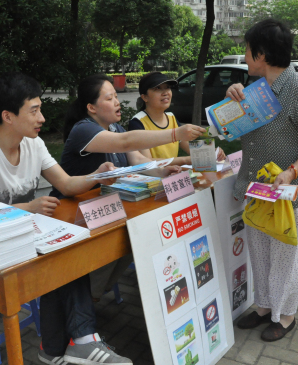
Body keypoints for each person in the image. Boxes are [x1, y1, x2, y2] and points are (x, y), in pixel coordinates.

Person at [0, 73, 132, 365]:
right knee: (61, 260)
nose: (42, 118)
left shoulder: (32, 143)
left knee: (66, 252)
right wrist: (28, 207)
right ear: (8, 116)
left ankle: (57, 349)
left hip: (24, 234)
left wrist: (97, 174)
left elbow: (65, 184)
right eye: (34, 110)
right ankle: (78, 341)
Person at [55, 74, 206, 301]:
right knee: (119, 243)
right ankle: (80, 299)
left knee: (130, 241)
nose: (117, 102)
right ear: (91, 108)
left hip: (105, 209)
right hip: (73, 214)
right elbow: (127, 143)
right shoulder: (83, 130)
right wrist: (175, 134)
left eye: (116, 96)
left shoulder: (115, 127)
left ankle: (91, 295)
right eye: (110, 98)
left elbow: (136, 159)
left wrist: (162, 171)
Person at [226, 19, 298, 341]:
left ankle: (285, 316)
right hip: (257, 188)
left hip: (289, 191)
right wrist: (230, 102)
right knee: (259, 251)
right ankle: (263, 306)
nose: (244, 55)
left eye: (247, 49)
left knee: (288, 255)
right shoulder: (253, 89)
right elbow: (228, 130)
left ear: (262, 53)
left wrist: (292, 170)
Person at [128, 72, 226, 163]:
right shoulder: (137, 123)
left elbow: (190, 147)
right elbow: (147, 162)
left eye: (167, 87)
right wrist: (186, 160)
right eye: (157, 88)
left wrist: (210, 151)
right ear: (145, 97)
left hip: (173, 176)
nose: (165, 92)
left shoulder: (171, 118)